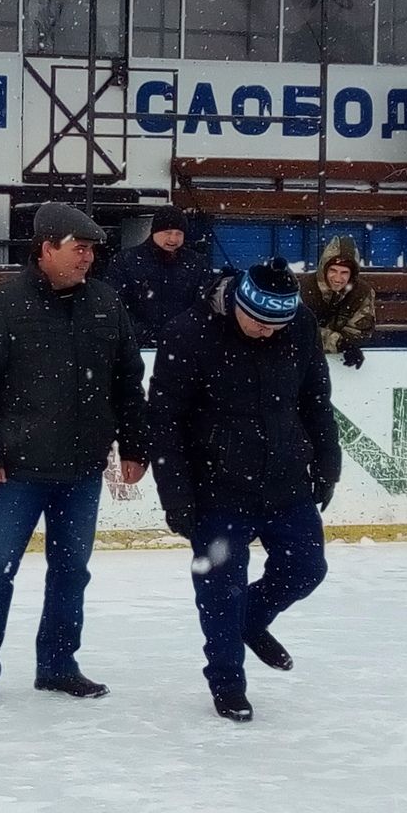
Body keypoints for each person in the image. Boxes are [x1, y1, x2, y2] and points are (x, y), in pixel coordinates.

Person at [0, 202, 149, 706]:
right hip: (15, 471)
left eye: (90, 250)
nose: (87, 258)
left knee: (71, 571)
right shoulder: (1, 305)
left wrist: (135, 444)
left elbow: (128, 384)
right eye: (78, 249)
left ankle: (59, 665)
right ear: (47, 249)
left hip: (82, 470)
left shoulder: (106, 304)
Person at [149, 258, 341, 723]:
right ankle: (228, 683)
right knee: (220, 590)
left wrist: (327, 462)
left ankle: (252, 621)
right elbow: (165, 420)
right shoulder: (188, 333)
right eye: (260, 322)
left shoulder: (298, 324)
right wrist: (175, 494)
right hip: (217, 487)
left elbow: (315, 397)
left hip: (285, 478)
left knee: (307, 568)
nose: (269, 333)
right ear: (238, 301)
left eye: (280, 324)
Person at [103, 206, 212, 349]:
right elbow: (114, 304)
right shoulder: (126, 261)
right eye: (167, 232)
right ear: (154, 231)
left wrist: (184, 331)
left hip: (184, 346)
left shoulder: (197, 263)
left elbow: (205, 304)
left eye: (178, 233)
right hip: (137, 347)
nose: (173, 238)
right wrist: (142, 333)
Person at [300, 236, 375, 369]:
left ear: (352, 274)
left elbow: (360, 332)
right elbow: (300, 332)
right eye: (333, 271)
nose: (338, 278)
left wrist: (347, 344)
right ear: (324, 269)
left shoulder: (362, 293)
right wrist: (339, 343)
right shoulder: (303, 289)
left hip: (343, 364)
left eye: (344, 272)